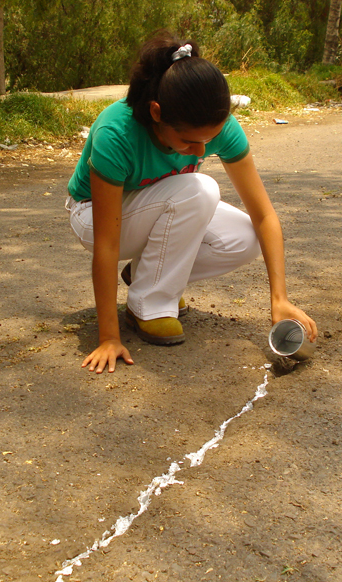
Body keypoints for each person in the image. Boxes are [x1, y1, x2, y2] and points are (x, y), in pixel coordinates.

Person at [66, 30, 317, 374]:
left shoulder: (217, 127)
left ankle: (148, 277)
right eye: (187, 141)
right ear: (156, 112)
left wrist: (280, 299)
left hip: (160, 207)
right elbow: (108, 244)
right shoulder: (117, 133)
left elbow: (264, 215)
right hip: (93, 217)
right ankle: (149, 305)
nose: (201, 150)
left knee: (243, 238)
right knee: (200, 189)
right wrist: (109, 337)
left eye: (209, 139)